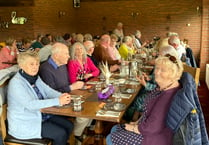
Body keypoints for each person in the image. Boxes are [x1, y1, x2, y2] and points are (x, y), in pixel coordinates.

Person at [106, 54, 183, 145]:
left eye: (163, 70)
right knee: (115, 129)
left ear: (173, 73)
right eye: (157, 68)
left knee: (110, 138)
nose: (157, 72)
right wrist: (137, 122)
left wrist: (134, 128)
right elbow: (150, 114)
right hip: (149, 128)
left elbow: (153, 127)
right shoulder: (164, 87)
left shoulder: (167, 96)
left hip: (154, 138)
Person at [7, 50, 74, 145]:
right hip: (25, 122)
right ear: (21, 65)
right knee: (60, 134)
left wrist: (61, 95)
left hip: (40, 116)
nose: (35, 67)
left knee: (69, 126)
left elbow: (48, 90)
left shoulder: (35, 78)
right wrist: (58, 101)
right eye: (31, 64)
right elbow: (31, 104)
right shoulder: (16, 83)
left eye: (37, 64)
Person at [39, 42, 89, 142]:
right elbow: (51, 93)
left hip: (66, 98)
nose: (69, 56)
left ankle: (74, 137)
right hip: (55, 106)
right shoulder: (45, 69)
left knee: (88, 106)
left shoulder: (62, 65)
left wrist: (76, 87)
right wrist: (71, 88)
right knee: (85, 113)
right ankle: (76, 136)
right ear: (56, 55)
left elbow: (67, 84)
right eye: (66, 53)